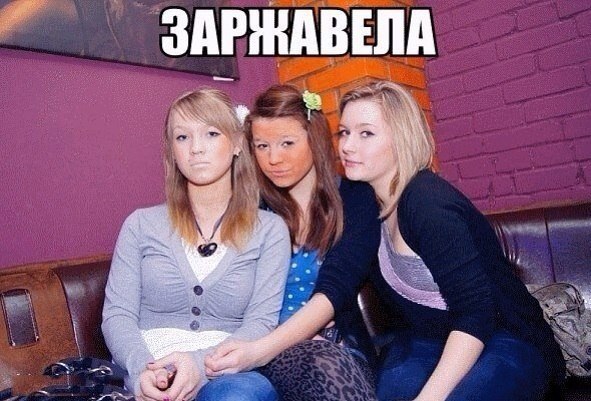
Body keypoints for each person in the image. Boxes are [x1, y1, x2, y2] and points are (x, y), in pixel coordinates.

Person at [337, 80, 566, 401]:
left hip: (503, 335)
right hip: (427, 338)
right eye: (344, 132)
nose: (347, 146)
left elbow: (477, 313)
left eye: (366, 133)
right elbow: (340, 270)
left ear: (402, 138)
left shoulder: (428, 203)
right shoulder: (363, 200)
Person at [101, 88, 290, 401]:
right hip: (148, 370)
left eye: (211, 133)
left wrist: (199, 365)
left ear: (237, 144)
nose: (196, 148)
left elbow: (261, 323)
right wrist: (144, 371)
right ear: (172, 152)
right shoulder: (140, 225)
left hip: (226, 375)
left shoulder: (270, 230)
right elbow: (117, 316)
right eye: (182, 137)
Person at [199, 84, 381, 401]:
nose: (274, 158)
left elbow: (336, 289)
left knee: (325, 362)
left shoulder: (355, 198)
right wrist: (256, 349)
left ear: (314, 139)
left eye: (287, 143)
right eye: (262, 146)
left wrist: (284, 344)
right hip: (257, 350)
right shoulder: (251, 212)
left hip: (334, 348)